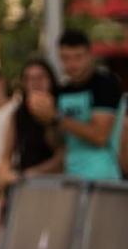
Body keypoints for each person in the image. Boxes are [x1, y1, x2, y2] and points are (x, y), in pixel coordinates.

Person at [45, 30, 124, 180]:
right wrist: (46, 119)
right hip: (71, 176)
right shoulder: (61, 90)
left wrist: (56, 117)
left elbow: (100, 136)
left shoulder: (105, 84)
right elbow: (56, 143)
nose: (72, 64)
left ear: (89, 56)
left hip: (104, 178)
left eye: (78, 57)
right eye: (65, 58)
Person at [0, 58, 64, 187]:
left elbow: (63, 155)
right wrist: (3, 178)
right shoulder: (18, 114)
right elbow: (6, 155)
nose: (35, 83)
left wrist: (50, 118)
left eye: (40, 77)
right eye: (29, 79)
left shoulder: (61, 108)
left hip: (54, 184)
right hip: (25, 184)